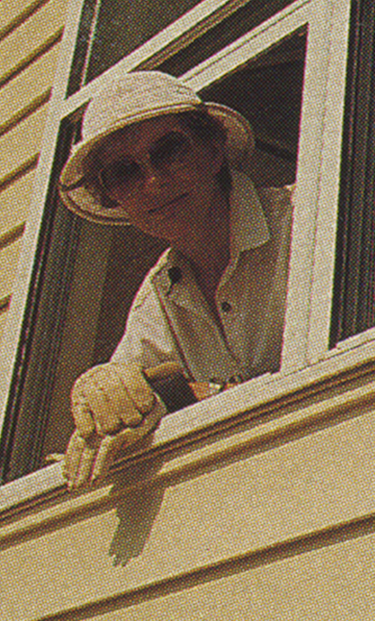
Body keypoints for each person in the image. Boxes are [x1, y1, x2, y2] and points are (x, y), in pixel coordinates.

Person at [57, 71, 294, 488]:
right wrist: (102, 391)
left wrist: (196, 394)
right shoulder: (156, 297)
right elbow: (125, 408)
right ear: (113, 196)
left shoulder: (305, 218)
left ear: (214, 149)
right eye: (123, 172)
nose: (153, 181)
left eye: (169, 150)